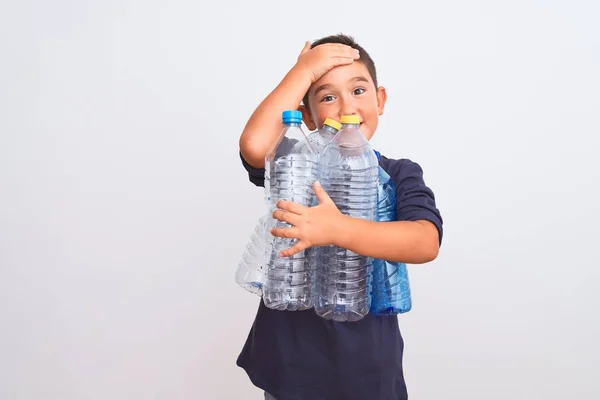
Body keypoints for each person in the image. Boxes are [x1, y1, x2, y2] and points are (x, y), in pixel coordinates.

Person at [237, 33, 443, 400]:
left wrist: (338, 229)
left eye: (358, 91)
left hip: (366, 371)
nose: (346, 106)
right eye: (328, 97)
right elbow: (254, 145)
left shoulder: (395, 173)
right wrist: (302, 71)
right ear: (307, 116)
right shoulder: (297, 164)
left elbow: (424, 241)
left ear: (380, 100)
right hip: (288, 368)